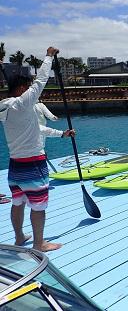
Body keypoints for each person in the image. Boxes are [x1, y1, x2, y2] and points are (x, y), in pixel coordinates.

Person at [0, 47, 75, 252]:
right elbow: (41, 81)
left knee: (18, 203)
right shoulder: (23, 103)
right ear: (22, 89)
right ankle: (39, 243)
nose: (30, 91)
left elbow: (38, 128)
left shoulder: (5, 108)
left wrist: (61, 134)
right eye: (27, 87)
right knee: (38, 206)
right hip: (33, 164)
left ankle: (19, 237)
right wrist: (49, 56)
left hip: (15, 166)